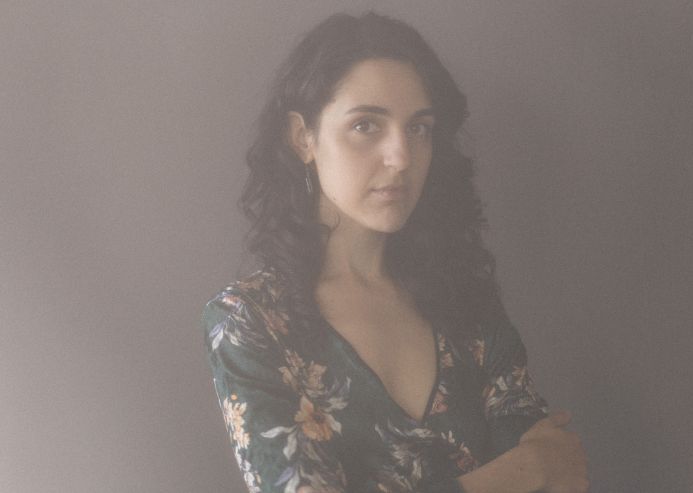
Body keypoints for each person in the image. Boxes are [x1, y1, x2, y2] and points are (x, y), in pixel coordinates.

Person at [202, 11, 588, 493]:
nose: (401, 157)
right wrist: (517, 474)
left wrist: (534, 470)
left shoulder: (462, 297)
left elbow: (560, 473)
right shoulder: (249, 321)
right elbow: (536, 469)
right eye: (366, 125)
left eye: (419, 128)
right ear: (303, 138)